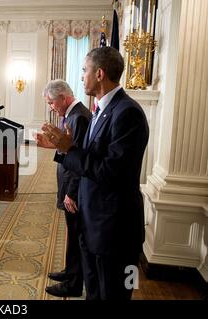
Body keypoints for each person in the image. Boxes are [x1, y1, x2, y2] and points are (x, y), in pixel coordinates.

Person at [39, 47, 149, 300]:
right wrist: (64, 148)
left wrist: (69, 150)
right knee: (94, 293)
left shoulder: (127, 112)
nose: (81, 77)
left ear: (99, 74)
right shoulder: (100, 109)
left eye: (84, 70)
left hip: (114, 229)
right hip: (94, 223)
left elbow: (111, 171)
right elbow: (91, 158)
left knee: (113, 294)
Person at [36, 80, 91, 298]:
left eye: (51, 102)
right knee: (72, 232)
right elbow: (68, 150)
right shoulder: (74, 114)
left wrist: (71, 192)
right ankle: (70, 272)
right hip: (69, 184)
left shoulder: (79, 117)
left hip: (73, 188)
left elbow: (79, 160)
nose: (51, 106)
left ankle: (74, 283)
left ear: (63, 97)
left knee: (77, 234)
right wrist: (52, 144)